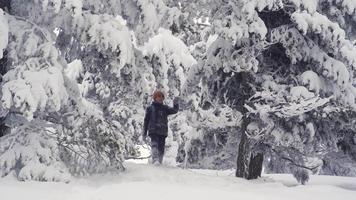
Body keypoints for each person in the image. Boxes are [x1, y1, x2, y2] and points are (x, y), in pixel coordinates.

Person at [142, 90, 179, 165]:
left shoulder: (165, 108)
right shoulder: (150, 108)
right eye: (158, 96)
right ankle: (155, 160)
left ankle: (160, 161)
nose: (160, 98)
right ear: (155, 98)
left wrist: (176, 104)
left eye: (162, 97)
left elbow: (174, 110)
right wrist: (144, 133)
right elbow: (146, 121)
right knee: (154, 144)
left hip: (162, 131)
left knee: (161, 147)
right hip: (153, 130)